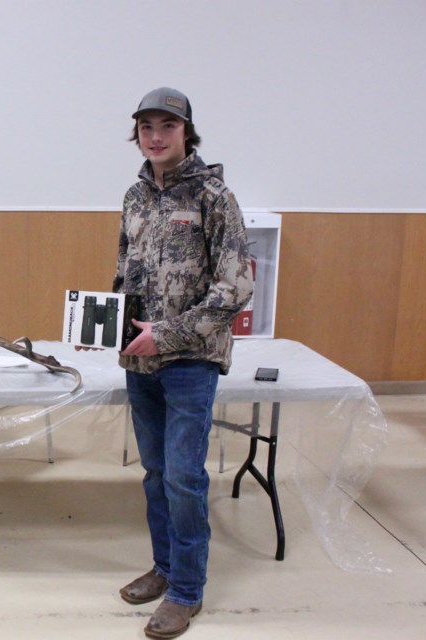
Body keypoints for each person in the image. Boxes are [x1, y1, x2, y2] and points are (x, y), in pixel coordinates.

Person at [114, 88, 254, 638]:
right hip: (140, 362)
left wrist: (165, 335)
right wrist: (106, 329)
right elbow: (125, 275)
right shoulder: (134, 196)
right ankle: (166, 567)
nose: (154, 135)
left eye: (166, 125)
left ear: (186, 131)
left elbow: (235, 288)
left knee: (183, 477)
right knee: (154, 473)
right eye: (146, 126)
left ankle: (187, 591)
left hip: (190, 360)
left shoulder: (215, 196)